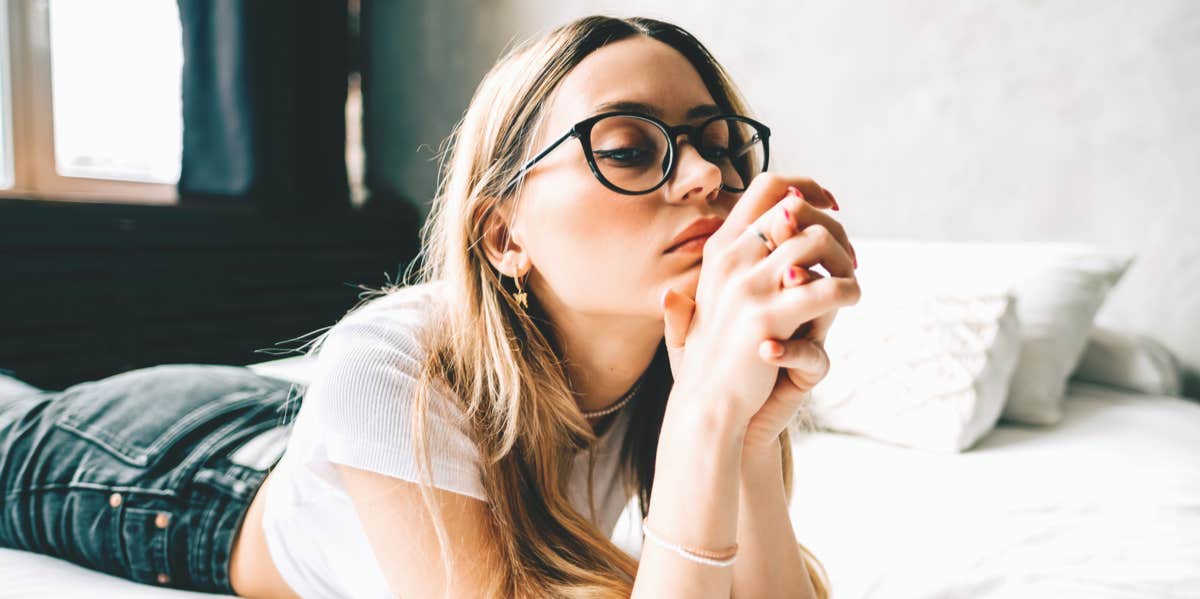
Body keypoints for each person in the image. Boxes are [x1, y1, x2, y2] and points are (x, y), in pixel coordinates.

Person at [0, 14, 859, 599]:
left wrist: (744, 434)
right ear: (501, 235)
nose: (709, 177)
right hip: (174, 474)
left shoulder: (687, 368)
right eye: (630, 147)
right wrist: (710, 414)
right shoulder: (389, 361)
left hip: (313, 435)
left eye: (721, 144)